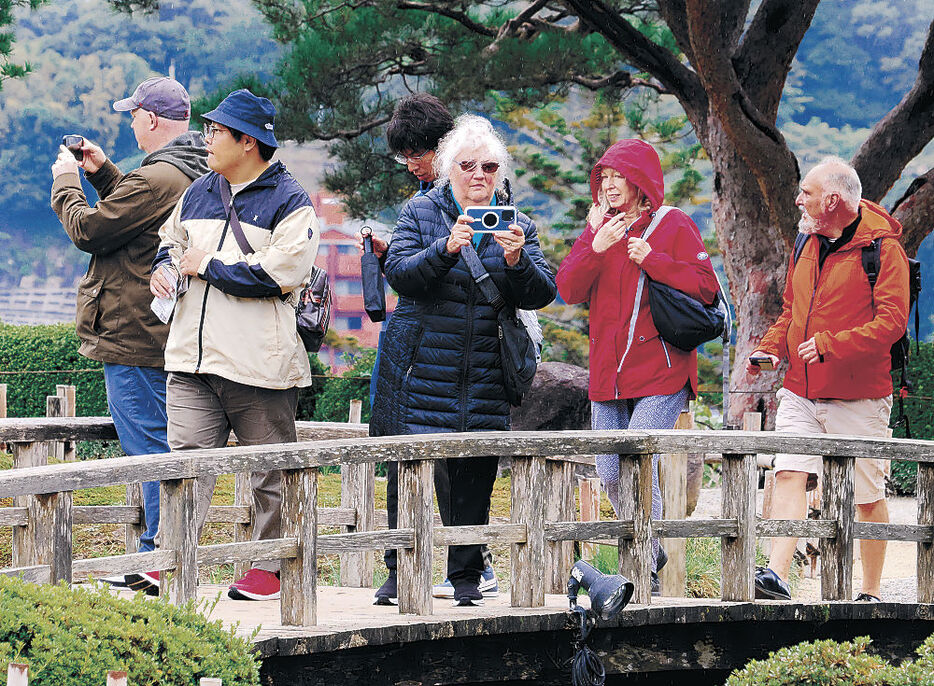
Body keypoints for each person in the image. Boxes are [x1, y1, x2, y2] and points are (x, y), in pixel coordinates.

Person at [370, 114, 556, 606]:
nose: (479, 175)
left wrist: (516, 262)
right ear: (449, 167)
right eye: (468, 165)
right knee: (406, 469)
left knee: (475, 472)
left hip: (484, 370)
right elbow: (401, 275)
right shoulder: (420, 213)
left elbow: (543, 292)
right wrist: (447, 247)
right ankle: (398, 570)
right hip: (421, 365)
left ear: (500, 172)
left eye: (490, 167)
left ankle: (466, 576)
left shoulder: (517, 223)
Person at [150, 89, 320, 601]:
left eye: (215, 132)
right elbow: (170, 242)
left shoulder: (291, 201)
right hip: (190, 356)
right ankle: (170, 560)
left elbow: (282, 272)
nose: (207, 140)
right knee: (183, 466)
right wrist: (163, 268)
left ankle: (269, 569)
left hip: (259, 363)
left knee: (270, 469)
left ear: (248, 142)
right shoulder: (200, 189)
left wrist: (207, 266)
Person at [50, 76, 209, 593]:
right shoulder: (193, 168)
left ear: (152, 119)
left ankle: (158, 560)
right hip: (167, 332)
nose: (131, 123)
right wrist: (107, 175)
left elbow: (92, 231)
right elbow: (139, 219)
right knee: (164, 442)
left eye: (134, 115)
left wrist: (68, 182)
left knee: (149, 448)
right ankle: (158, 557)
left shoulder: (158, 176)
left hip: (132, 334)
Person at [556, 139, 718, 593]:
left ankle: (644, 565)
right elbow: (567, 289)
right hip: (607, 373)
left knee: (635, 458)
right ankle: (652, 549)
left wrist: (656, 261)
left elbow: (706, 288)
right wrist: (593, 243)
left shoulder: (674, 225)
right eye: (602, 177)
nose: (607, 185)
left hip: (663, 371)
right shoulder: (598, 229)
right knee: (608, 468)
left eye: (617, 176)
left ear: (640, 182)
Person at [748, 157, 909, 602]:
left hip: (858, 397)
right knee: (788, 474)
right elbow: (790, 311)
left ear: (833, 200)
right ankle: (776, 575)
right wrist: (770, 347)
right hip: (800, 390)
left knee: (865, 495)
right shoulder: (806, 241)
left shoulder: (883, 250)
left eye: (807, 193)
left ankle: (872, 591)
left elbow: (892, 323)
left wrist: (829, 344)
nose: (799, 200)